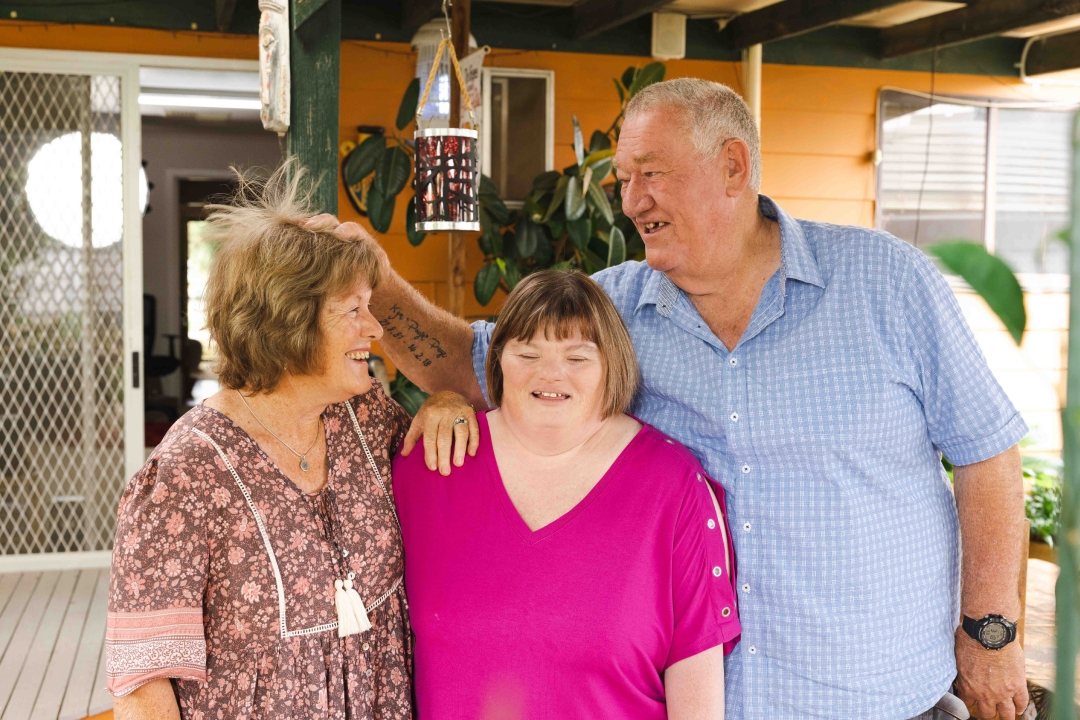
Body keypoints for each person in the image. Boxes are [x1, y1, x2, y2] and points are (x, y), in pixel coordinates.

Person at [318, 77, 1030, 720]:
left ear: (732, 167)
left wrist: (990, 632)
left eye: (649, 175)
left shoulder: (887, 284)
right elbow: (484, 369)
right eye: (624, 180)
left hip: (881, 702)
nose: (630, 201)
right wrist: (375, 284)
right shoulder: (615, 308)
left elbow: (988, 454)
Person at [106, 164, 475, 720]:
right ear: (287, 322)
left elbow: (437, 481)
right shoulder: (185, 473)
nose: (375, 330)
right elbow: (143, 686)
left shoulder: (366, 414)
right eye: (354, 310)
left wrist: (447, 400)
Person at [392, 270, 741, 719]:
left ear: (611, 365)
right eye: (528, 353)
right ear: (496, 360)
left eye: (577, 358)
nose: (550, 374)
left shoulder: (674, 489)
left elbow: (698, 701)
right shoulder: (432, 465)